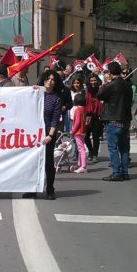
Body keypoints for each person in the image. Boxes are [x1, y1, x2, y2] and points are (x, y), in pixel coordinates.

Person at [24, 69, 63, 200]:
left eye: (53, 80)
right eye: (48, 79)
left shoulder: (56, 98)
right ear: (44, 80)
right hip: (33, 134)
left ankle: (50, 189)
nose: (50, 82)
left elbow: (55, 119)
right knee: (32, 162)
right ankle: (32, 189)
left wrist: (50, 136)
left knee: (48, 163)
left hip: (47, 134)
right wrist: (31, 90)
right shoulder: (37, 93)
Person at [97, 62, 132, 181]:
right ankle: (125, 172)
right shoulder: (127, 84)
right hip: (125, 119)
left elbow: (99, 95)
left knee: (113, 148)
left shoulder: (111, 85)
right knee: (124, 148)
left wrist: (105, 84)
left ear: (110, 73)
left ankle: (116, 172)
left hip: (113, 118)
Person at [70, 92, 88, 173]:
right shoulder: (84, 109)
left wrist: (72, 131)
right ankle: (80, 163)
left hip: (78, 132)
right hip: (83, 131)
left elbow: (77, 122)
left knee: (81, 149)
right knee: (81, 148)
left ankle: (83, 166)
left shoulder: (78, 110)